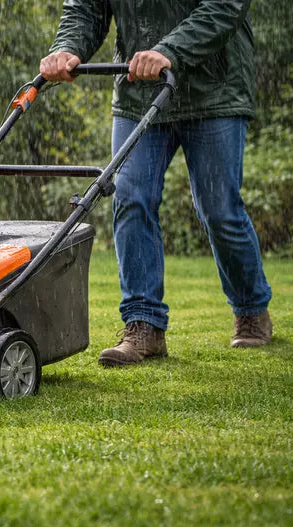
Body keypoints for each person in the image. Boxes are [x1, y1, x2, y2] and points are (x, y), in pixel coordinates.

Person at [40, 0, 272, 367]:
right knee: (131, 197)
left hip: (215, 90)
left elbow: (225, 7)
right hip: (139, 92)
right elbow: (86, 8)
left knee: (218, 208)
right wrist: (67, 47)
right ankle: (143, 325)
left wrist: (168, 50)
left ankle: (250, 308)